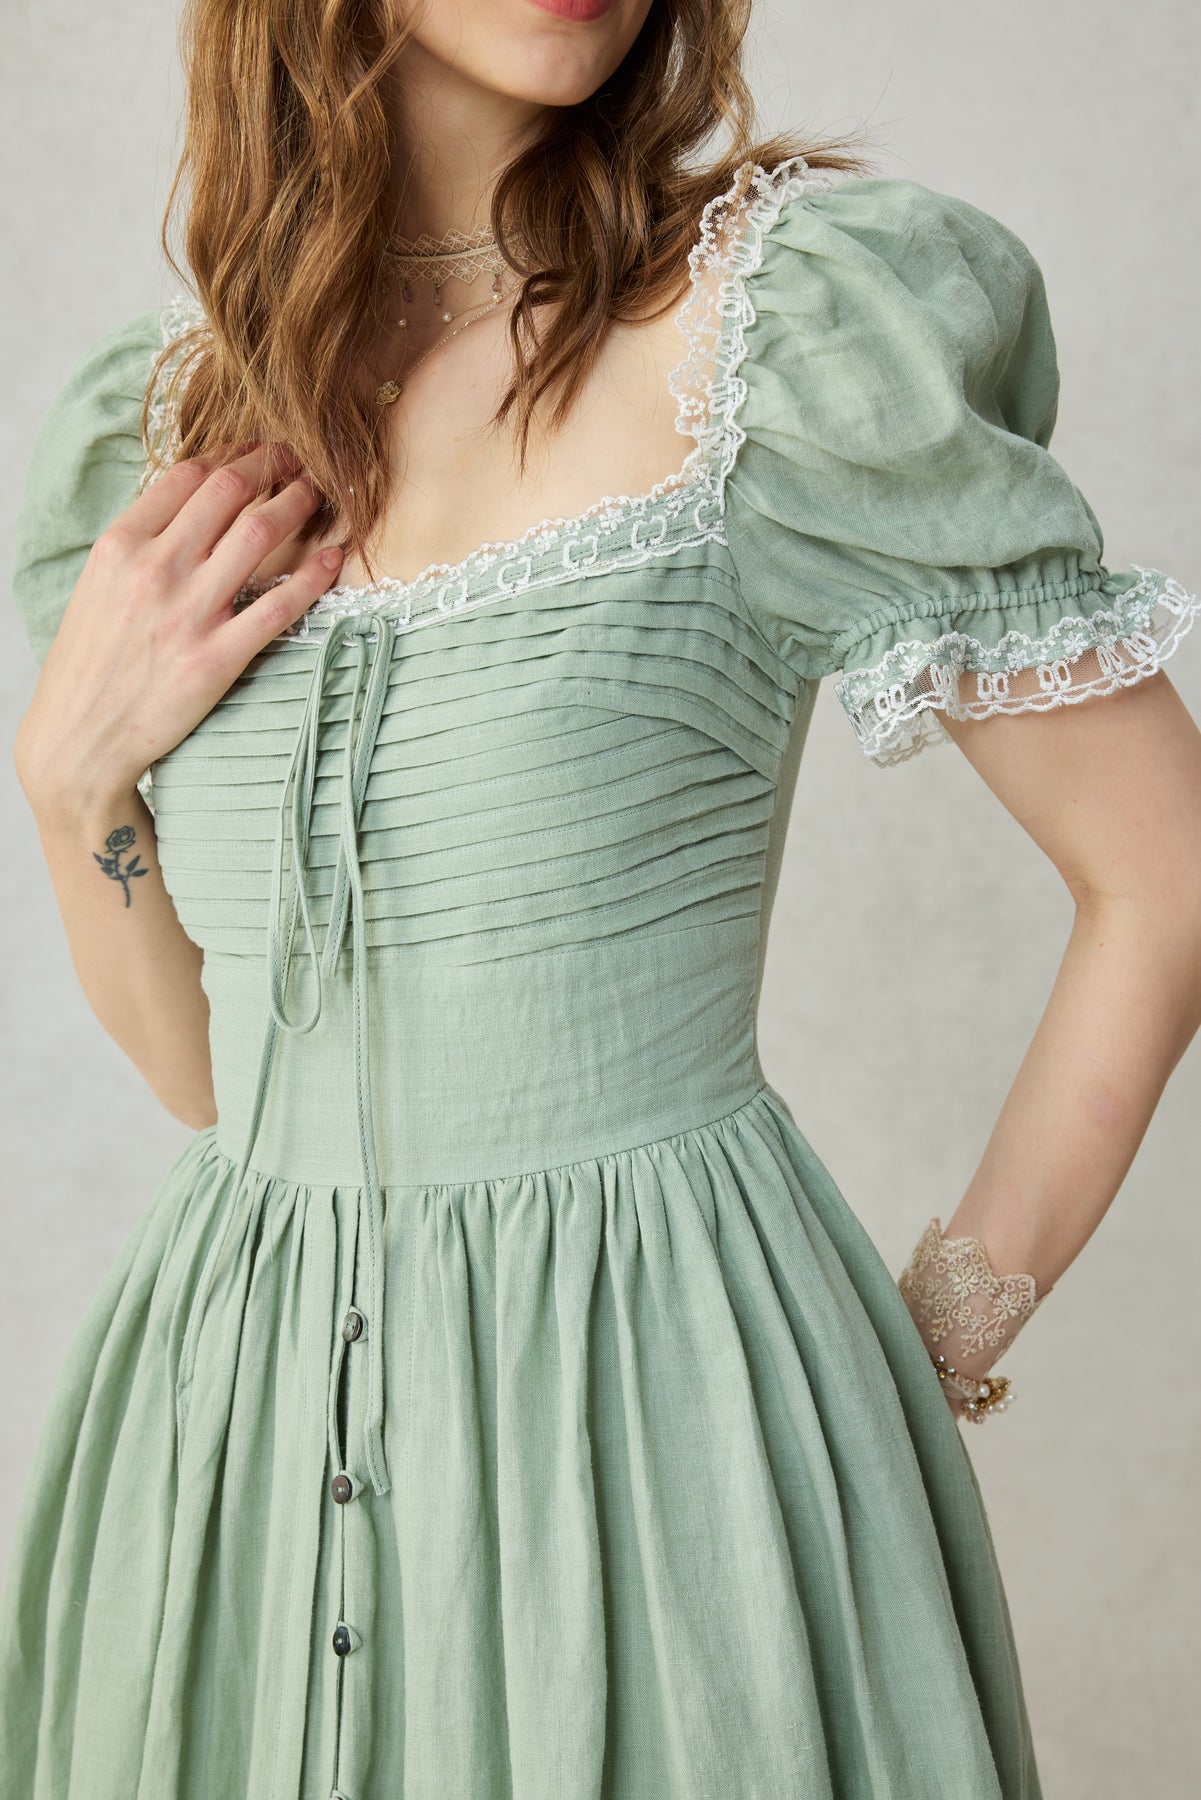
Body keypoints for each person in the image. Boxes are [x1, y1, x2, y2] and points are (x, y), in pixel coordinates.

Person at [3, 1, 1200, 1795]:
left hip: (651, 1419)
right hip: (230, 1417)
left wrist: (937, 1341)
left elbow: (1164, 877)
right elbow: (208, 1079)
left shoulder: (777, 334)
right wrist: (70, 787)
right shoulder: (160, 423)